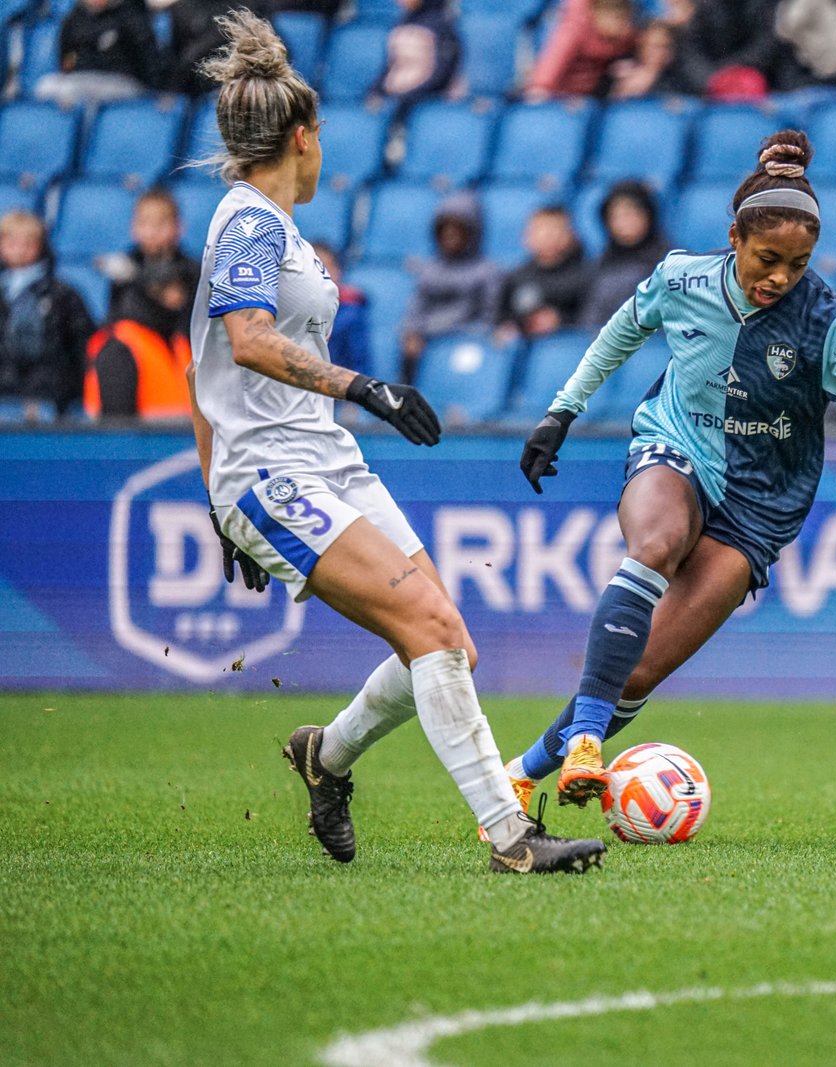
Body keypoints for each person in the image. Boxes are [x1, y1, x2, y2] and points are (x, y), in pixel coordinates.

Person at [187, 12, 603, 874]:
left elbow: (202, 374)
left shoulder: (277, 229)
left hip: (325, 459)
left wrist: (216, 490)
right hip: (272, 470)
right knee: (431, 627)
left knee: (449, 644)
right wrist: (363, 389)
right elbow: (246, 343)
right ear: (304, 137)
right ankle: (511, 836)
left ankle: (325, 756)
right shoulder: (249, 224)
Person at [503, 130, 836, 817]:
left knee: (640, 672)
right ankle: (586, 746)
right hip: (677, 443)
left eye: (798, 264)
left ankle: (520, 772)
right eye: (767, 259)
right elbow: (617, 336)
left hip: (761, 506)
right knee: (655, 544)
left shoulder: (827, 321)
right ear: (734, 238)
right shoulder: (682, 279)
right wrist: (560, 412)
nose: (780, 277)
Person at [0, 210, 95, 422]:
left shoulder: (63, 295)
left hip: (52, 396)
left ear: (41, 246)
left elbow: (83, 345)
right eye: (12, 243)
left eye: (28, 243)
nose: (20, 250)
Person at [399, 191, 501, 385]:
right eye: (444, 228)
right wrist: (412, 332)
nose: (450, 234)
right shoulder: (430, 270)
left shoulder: (487, 272)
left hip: (464, 351)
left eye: (457, 228)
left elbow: (489, 317)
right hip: (426, 351)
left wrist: (437, 333)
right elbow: (416, 309)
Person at [85, 260, 192, 420]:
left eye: (180, 289)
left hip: (186, 435)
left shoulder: (179, 341)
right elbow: (116, 422)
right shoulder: (121, 344)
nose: (178, 297)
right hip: (141, 436)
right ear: (151, 292)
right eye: (169, 288)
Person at [98, 187, 202, 323]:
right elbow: (114, 320)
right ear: (133, 227)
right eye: (143, 223)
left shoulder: (192, 272)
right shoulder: (124, 270)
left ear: (179, 227)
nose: (151, 232)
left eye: (160, 224)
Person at [35, 0, 160, 107]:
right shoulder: (74, 19)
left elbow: (148, 57)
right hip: (81, 78)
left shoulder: (130, 17)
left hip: (121, 81)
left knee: (80, 94)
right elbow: (67, 56)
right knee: (45, 86)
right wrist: (70, 70)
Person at [579, 180, 669, 326]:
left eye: (631, 214)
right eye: (616, 216)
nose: (625, 223)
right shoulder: (599, 265)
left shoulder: (670, 262)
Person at [496, 206, 591, 341]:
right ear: (526, 237)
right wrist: (518, 325)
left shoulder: (587, 275)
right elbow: (499, 320)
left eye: (555, 230)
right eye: (541, 230)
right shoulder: (516, 277)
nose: (548, 236)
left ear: (571, 235)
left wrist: (561, 321)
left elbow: (594, 319)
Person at [525, 0, 638, 100]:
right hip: (561, 98)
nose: (620, 26)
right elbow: (550, 67)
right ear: (596, 14)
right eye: (615, 18)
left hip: (595, 97)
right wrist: (540, 89)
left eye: (625, 19)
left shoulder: (628, 33)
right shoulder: (574, 30)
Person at [372, 0, 461, 109]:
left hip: (420, 101)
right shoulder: (401, 22)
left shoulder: (441, 26)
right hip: (394, 96)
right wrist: (377, 91)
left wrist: (407, 97)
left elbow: (441, 74)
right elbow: (390, 65)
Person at [311, 242, 371, 378]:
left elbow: (360, 365)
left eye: (325, 269)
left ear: (338, 271)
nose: (318, 276)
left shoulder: (351, 315)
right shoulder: (283, 310)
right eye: (311, 270)